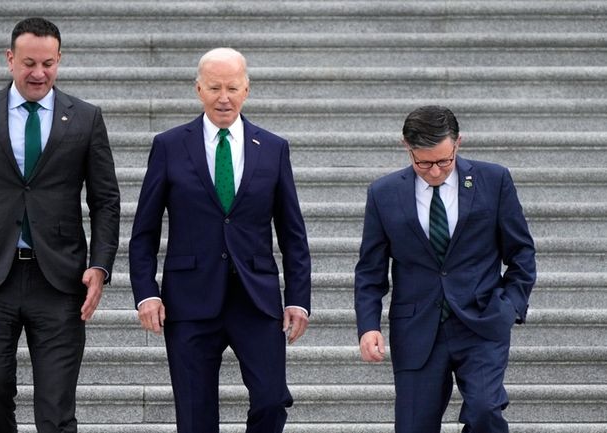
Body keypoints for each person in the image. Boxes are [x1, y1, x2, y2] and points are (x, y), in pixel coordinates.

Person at [0, 17, 120, 433]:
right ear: (9, 59)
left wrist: (101, 265)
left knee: (56, 409)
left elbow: (105, 200)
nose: (39, 73)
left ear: (60, 60)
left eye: (49, 63)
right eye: (29, 63)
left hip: (59, 280)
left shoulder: (87, 118)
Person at [128, 47, 311, 432]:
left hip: (256, 299)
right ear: (198, 89)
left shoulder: (274, 148)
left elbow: (293, 233)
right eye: (214, 87)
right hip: (190, 301)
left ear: (247, 90)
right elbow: (144, 230)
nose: (223, 97)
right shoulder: (170, 145)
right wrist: (146, 292)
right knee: (195, 417)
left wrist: (297, 299)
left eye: (232, 87)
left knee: (272, 399)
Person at [354, 105, 536, 433]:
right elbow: (370, 270)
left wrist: (510, 306)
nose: (435, 171)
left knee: (484, 412)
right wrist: (368, 326)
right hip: (417, 328)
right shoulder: (384, 193)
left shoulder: (493, 180)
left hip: (481, 321)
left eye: (443, 161)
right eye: (423, 162)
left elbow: (521, 252)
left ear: (458, 143)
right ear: (405, 147)